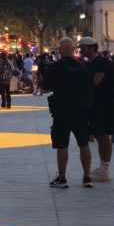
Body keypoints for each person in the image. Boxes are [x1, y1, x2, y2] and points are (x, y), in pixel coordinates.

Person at [43, 37, 93, 189]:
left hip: (62, 110)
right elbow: (89, 88)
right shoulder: (83, 67)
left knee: (62, 144)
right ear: (73, 50)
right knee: (84, 143)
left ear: (60, 50)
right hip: (80, 110)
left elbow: (46, 86)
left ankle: (63, 178)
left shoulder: (55, 67)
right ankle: (86, 177)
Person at [79, 38, 114, 183]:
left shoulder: (101, 63)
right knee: (100, 135)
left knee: (103, 135)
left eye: (83, 48)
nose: (80, 51)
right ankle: (103, 167)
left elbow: (95, 81)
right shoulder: (90, 63)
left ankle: (105, 169)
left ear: (91, 48)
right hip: (96, 104)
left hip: (103, 104)